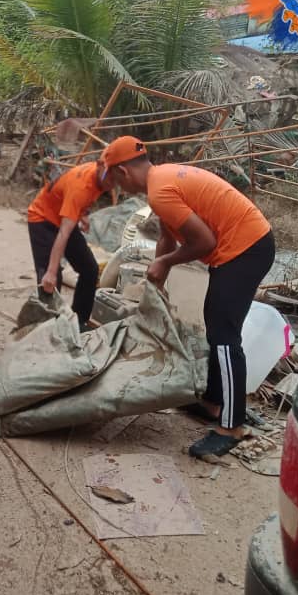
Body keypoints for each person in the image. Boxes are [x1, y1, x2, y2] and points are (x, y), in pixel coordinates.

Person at [100, 136, 275, 458]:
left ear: (122, 172)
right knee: (216, 328)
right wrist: (159, 276)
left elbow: (204, 242)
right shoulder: (162, 181)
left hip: (246, 249)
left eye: (112, 178)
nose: (115, 186)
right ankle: (210, 402)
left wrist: (165, 263)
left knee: (224, 337)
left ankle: (231, 425)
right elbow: (168, 236)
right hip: (245, 245)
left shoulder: (161, 191)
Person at [27, 161, 115, 329]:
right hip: (42, 219)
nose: (112, 181)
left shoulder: (101, 179)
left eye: (116, 177)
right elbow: (63, 233)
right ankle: (47, 329)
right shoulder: (81, 186)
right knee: (51, 280)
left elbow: (79, 198)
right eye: (110, 174)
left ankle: (79, 322)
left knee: (90, 269)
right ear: (100, 165)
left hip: (64, 218)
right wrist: (51, 272)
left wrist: (83, 214)